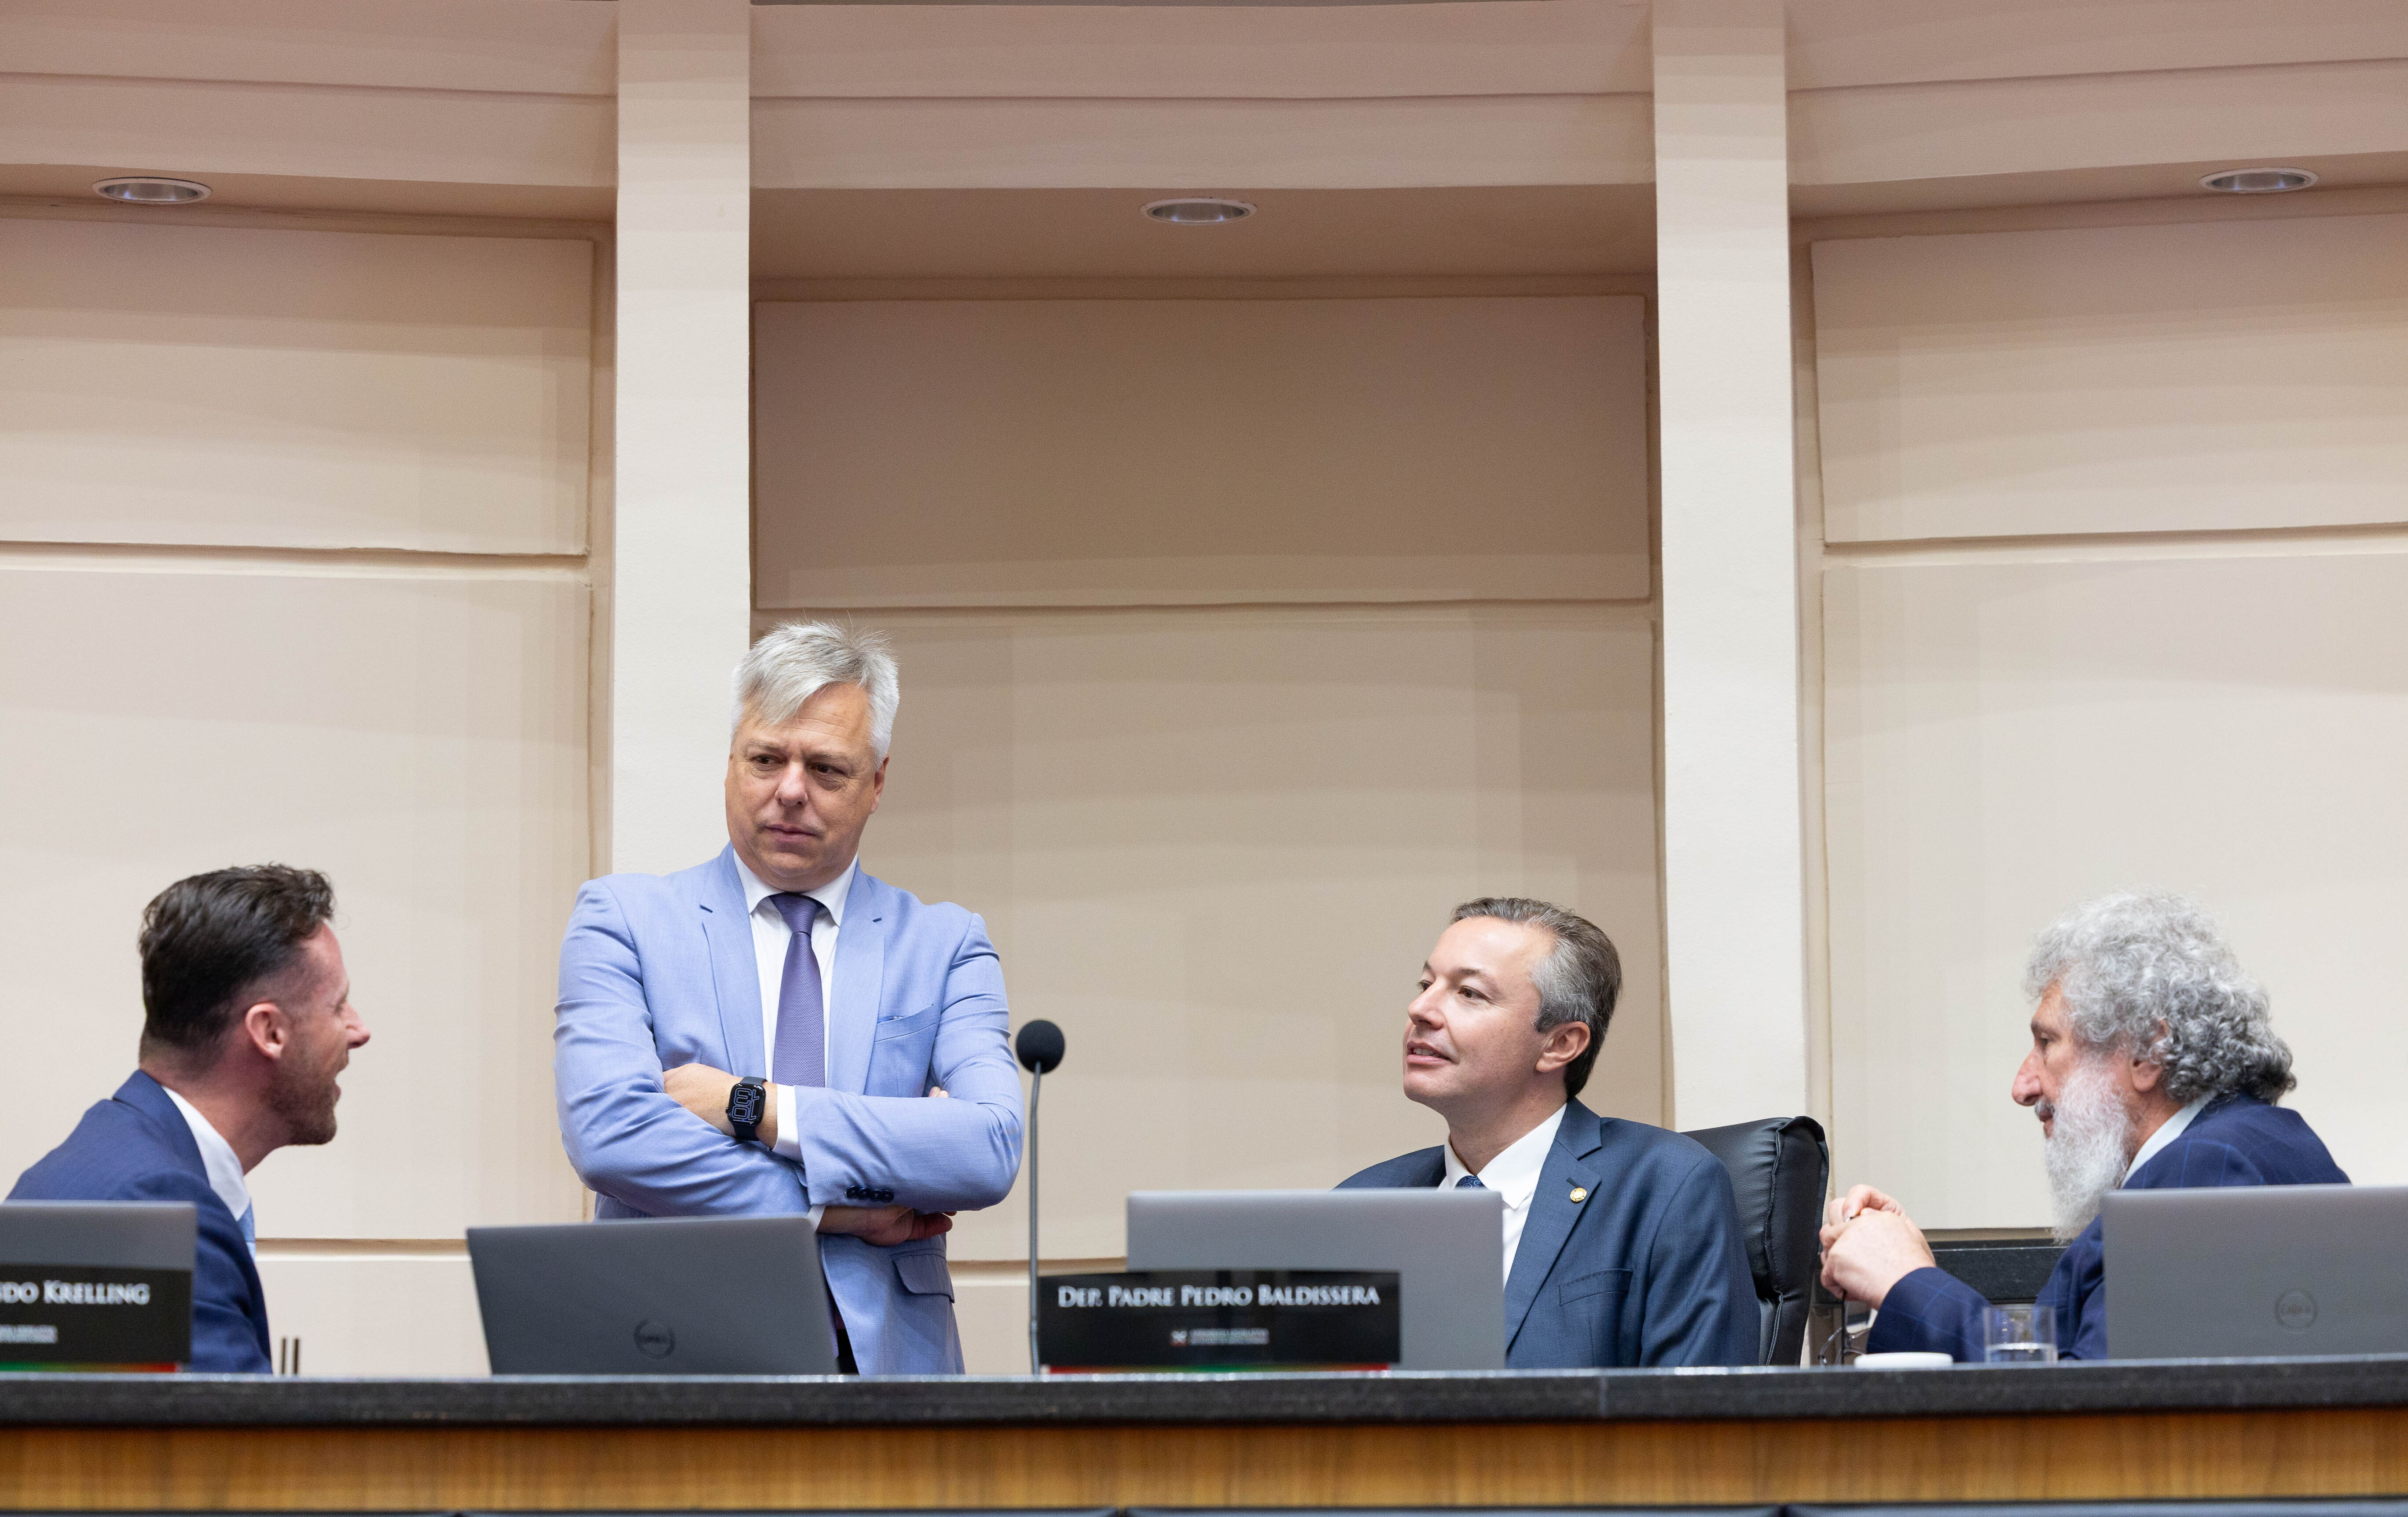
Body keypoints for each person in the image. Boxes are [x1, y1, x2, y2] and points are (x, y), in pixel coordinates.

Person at [554, 621, 1022, 1375]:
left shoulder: (945, 945)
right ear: (731, 762)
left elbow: (987, 1148)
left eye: (827, 769)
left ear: (877, 783)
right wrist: (836, 1209)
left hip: (883, 1368)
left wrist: (754, 1106)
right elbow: (610, 1134)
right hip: (673, 1351)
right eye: (766, 759)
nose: (791, 790)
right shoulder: (623, 921)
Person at [1820, 889, 2346, 1361]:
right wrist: (1911, 1266)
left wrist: (1907, 1281)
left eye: (2047, 1042)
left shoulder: (2203, 1170)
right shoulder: (2255, 1142)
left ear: (2148, 1051)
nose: (2023, 1086)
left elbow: (2087, 1412)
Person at [1338, 898, 1758, 1368]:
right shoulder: (1362, 1203)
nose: (1420, 1009)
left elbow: (1700, 1407)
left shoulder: (1666, 1186)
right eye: (1426, 984)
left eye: (1469, 993)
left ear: (1560, 1044)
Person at [11, 866, 372, 1372]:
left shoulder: (108, 1164)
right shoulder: (155, 1209)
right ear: (269, 1031)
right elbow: (235, 1427)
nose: (359, 1029)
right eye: (338, 1006)